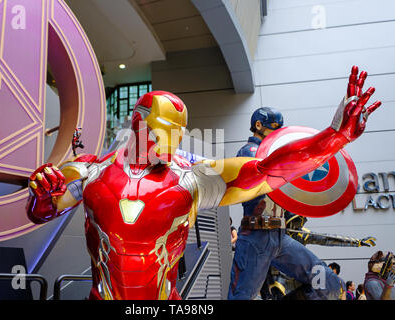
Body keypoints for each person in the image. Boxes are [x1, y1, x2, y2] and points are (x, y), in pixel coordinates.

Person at [27, 66, 381, 300]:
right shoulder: (89, 171)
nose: (171, 143)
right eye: (163, 132)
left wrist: (334, 137)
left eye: (177, 135)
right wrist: (42, 196)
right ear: (137, 123)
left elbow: (268, 169)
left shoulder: (191, 177)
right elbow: (42, 211)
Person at [228, 66, 381, 300]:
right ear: (258, 126)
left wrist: (338, 135)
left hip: (280, 235)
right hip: (256, 235)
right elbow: (274, 170)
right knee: (242, 296)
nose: (278, 132)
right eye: (274, 127)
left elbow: (302, 163)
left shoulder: (275, 151)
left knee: (327, 281)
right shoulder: (250, 151)